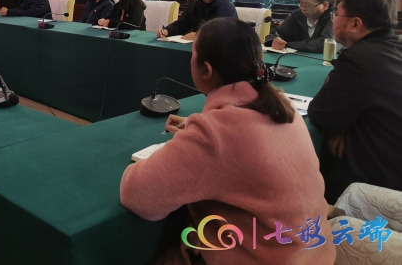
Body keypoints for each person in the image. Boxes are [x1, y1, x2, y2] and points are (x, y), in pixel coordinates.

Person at [120, 17, 335, 265]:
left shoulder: (215, 134)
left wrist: (198, 138)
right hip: (315, 252)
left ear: (206, 70)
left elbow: (138, 196)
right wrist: (194, 132)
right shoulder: (284, 106)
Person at [308, 0, 402, 203]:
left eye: (336, 13)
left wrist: (339, 125)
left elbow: (321, 114)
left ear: (355, 24)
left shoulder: (358, 60)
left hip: (379, 184)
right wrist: (344, 125)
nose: (333, 20)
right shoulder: (395, 48)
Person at [264, 0, 334, 53]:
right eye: (301, 3)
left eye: (308, 5)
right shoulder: (297, 15)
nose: (303, 7)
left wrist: (287, 45)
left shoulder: (334, 18)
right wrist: (274, 40)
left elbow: (325, 44)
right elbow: (275, 33)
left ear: (325, 5)